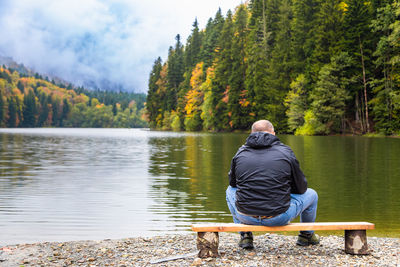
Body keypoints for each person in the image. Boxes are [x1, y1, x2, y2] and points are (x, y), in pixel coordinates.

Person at [226, 119, 319, 249]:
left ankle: (245, 235)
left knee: (229, 190)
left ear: (251, 133)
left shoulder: (240, 153)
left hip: (246, 216)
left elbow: (233, 183)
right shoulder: (286, 152)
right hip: (278, 217)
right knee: (312, 194)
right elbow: (301, 188)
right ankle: (306, 236)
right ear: (273, 133)